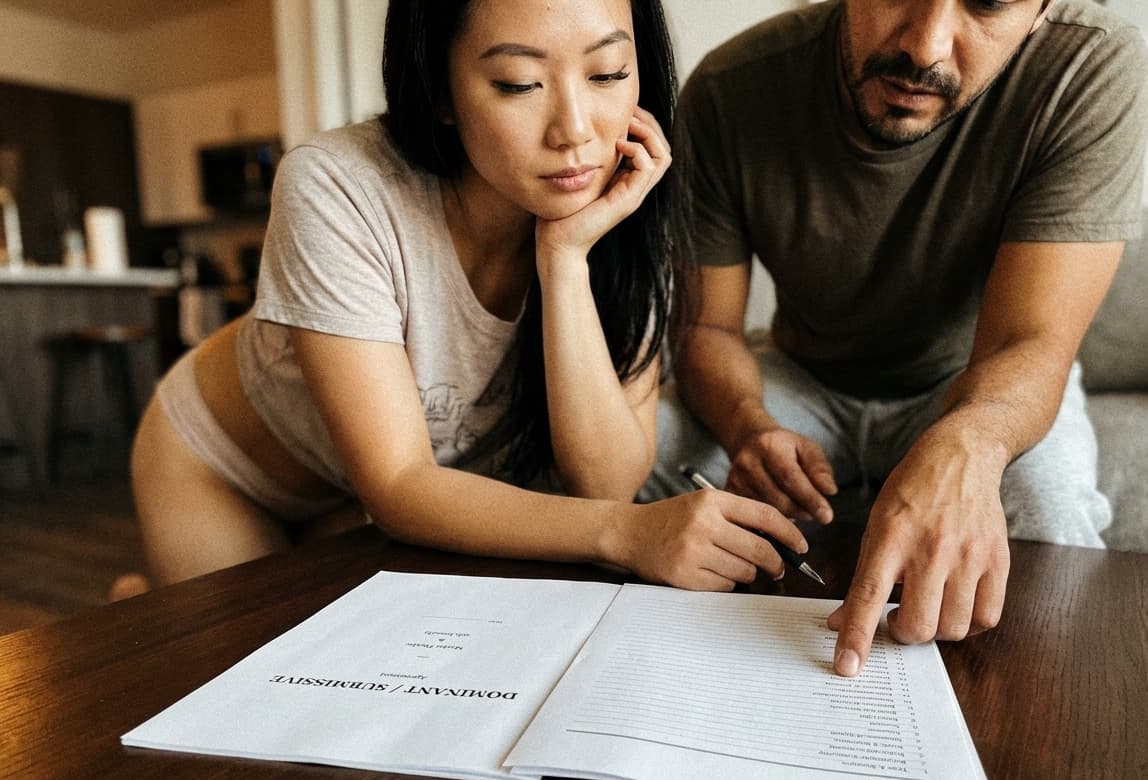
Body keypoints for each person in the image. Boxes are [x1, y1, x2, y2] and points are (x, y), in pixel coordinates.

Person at [129, 0, 809, 592]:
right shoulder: (339, 186)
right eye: (518, 83)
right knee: (237, 686)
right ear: (440, 91)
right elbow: (399, 483)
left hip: (353, 494)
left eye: (607, 74)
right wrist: (627, 534)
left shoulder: (633, 207)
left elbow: (607, 481)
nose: (575, 129)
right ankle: (139, 600)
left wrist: (566, 259)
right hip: (226, 472)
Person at [642, 0, 1148, 675]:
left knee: (1046, 508)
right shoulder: (730, 87)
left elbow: (1030, 342)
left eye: (989, 3)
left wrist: (967, 445)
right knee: (643, 465)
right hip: (802, 375)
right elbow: (707, 326)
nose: (926, 47)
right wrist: (745, 425)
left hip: (979, 379)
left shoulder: (1088, 64)